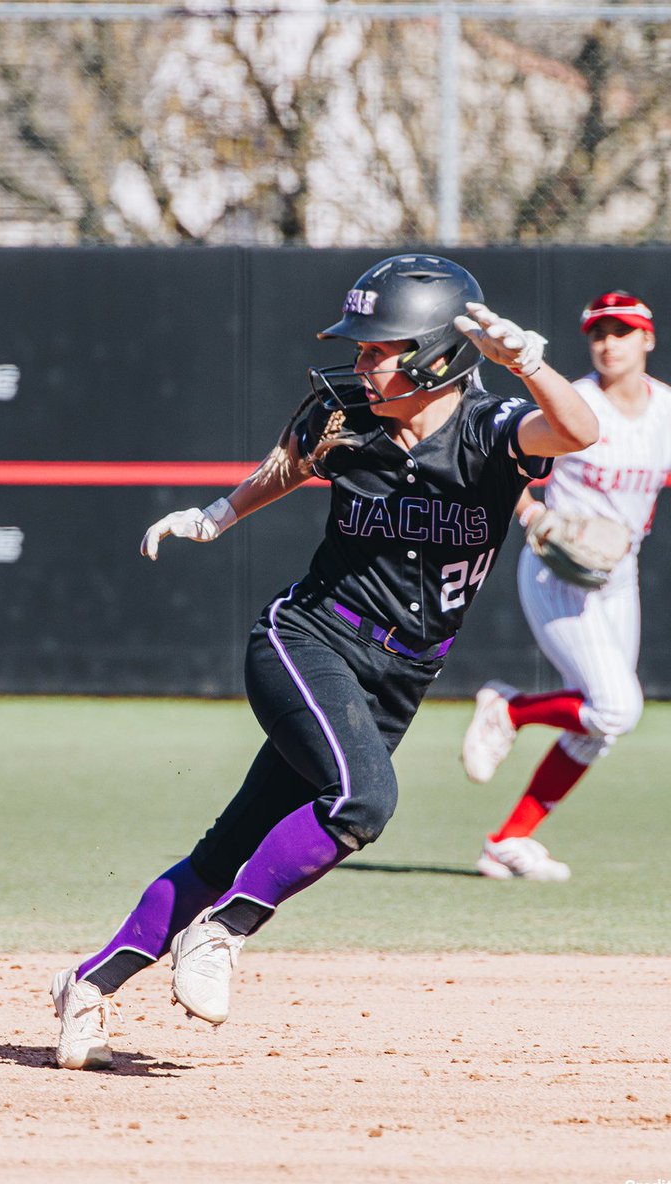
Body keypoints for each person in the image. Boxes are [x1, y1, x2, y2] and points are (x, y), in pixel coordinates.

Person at [49, 253, 599, 1068]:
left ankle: (89, 985)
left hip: (399, 678)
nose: (364, 362)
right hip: (307, 640)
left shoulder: (491, 428)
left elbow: (580, 431)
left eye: (382, 348)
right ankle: (224, 933)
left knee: (226, 848)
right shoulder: (343, 415)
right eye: (365, 347)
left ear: (440, 355)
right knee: (364, 800)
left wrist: (532, 363)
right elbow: (289, 465)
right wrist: (215, 516)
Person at [461, 290, 671, 882]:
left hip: (617, 573)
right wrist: (534, 516)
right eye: (599, 333)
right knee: (615, 707)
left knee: (599, 729)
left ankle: (507, 842)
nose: (609, 343)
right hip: (555, 571)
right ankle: (510, 707)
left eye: (622, 331)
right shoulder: (573, 402)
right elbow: (502, 466)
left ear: (648, 339)